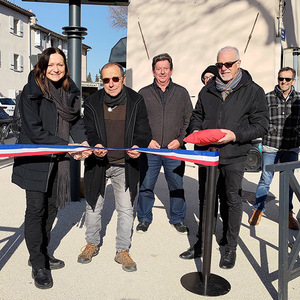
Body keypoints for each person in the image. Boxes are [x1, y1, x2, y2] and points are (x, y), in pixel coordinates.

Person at [180, 46, 268, 269]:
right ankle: (202, 242)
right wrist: (198, 133)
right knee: (205, 200)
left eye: (228, 64)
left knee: (231, 200)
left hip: (234, 155)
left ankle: (230, 246)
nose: (224, 68)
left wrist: (235, 135)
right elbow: (196, 116)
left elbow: (261, 125)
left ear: (238, 63)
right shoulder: (208, 89)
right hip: (207, 154)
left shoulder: (253, 91)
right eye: (220, 64)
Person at [12, 47, 91, 289]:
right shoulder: (32, 92)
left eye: (60, 65)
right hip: (36, 161)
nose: (56, 69)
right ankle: (38, 264)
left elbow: (76, 121)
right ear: (42, 67)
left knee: (52, 208)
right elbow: (34, 131)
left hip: (60, 162)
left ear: (65, 67)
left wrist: (83, 141)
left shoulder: (70, 91)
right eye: (51, 65)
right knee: (36, 210)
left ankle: (41, 253)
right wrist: (69, 146)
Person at [77, 62, 152, 272]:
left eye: (115, 79)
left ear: (123, 79)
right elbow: (88, 129)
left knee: (126, 209)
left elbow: (144, 131)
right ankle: (91, 244)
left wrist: (139, 145)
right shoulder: (92, 102)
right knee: (93, 206)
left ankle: (122, 250)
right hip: (98, 163)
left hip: (125, 164)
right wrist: (95, 144)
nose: (110, 84)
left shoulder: (136, 100)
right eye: (106, 80)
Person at [135, 53, 193, 234]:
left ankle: (177, 218)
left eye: (165, 69)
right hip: (150, 149)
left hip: (174, 150)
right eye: (158, 69)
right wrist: (146, 140)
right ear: (153, 71)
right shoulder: (143, 93)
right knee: (146, 185)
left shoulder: (181, 93)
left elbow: (189, 120)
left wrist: (180, 140)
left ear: (171, 70)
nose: (162, 72)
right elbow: (137, 121)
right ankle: (144, 218)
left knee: (176, 185)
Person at [249, 67, 300, 230]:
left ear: (294, 81)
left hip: (291, 146)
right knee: (265, 179)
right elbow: (260, 119)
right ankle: (258, 209)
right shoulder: (268, 98)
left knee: (290, 183)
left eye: (287, 79)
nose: (283, 82)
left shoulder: (299, 99)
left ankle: (288, 214)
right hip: (271, 144)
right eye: (280, 79)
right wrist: (266, 132)